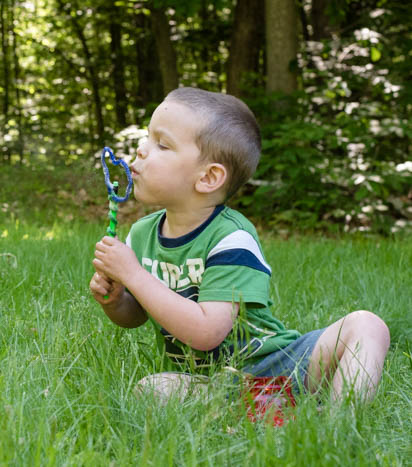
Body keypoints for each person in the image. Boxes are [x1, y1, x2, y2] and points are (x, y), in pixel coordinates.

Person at [89, 87, 390, 404]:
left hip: (278, 363)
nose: (141, 151)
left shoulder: (232, 239)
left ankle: (337, 427)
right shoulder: (142, 234)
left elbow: (207, 332)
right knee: (150, 390)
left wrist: (134, 275)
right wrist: (117, 301)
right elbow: (137, 315)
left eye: (162, 144)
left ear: (208, 178)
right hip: (210, 380)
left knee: (367, 326)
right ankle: (261, 407)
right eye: (148, 138)